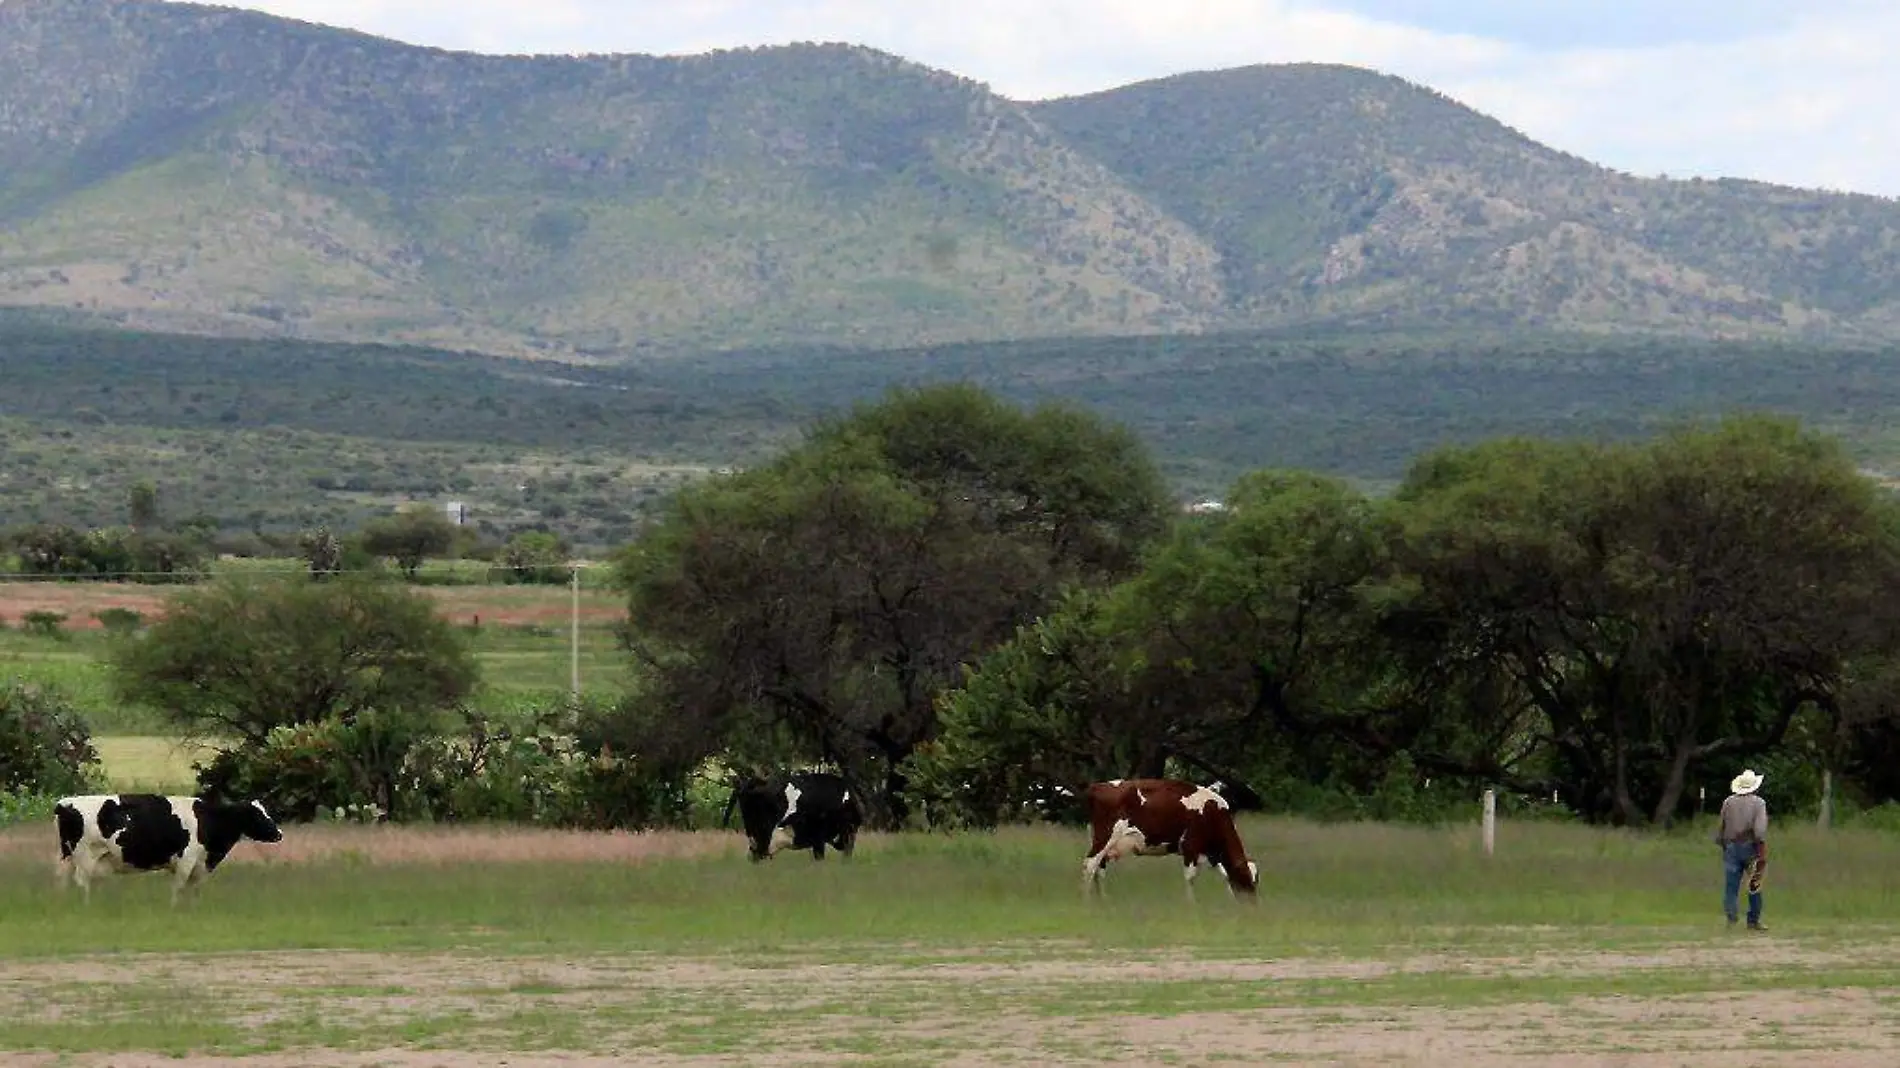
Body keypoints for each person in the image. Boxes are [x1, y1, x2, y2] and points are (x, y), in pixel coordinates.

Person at [1713, 768, 1769, 931]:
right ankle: (1753, 920)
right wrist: (1761, 847)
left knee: (1731, 886)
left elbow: (1721, 826)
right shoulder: (1759, 803)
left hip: (1731, 846)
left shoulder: (1728, 802)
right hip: (1751, 846)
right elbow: (1759, 830)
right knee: (1754, 884)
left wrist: (1723, 843)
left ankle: (1731, 919)